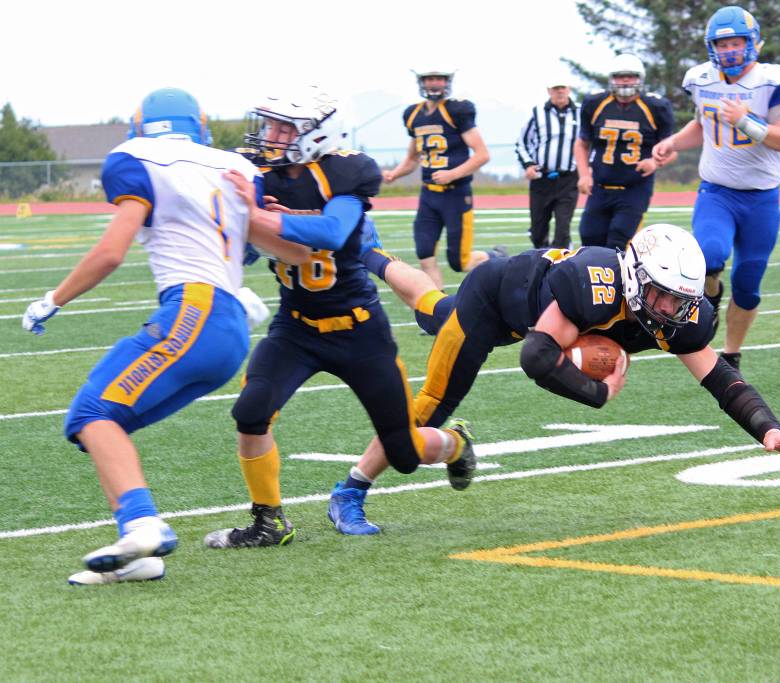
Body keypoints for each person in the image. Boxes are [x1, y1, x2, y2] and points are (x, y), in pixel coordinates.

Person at [20, 88, 332, 585]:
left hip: (193, 311)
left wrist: (53, 299)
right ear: (200, 126)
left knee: (92, 413)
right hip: (229, 329)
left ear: (141, 127)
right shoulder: (234, 167)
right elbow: (292, 253)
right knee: (104, 425)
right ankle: (138, 556)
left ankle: (142, 525)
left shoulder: (136, 158)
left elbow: (111, 252)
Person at [337, 223, 780, 533]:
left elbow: (721, 379)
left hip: (537, 311)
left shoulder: (676, 314)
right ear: (634, 277)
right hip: (496, 302)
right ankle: (350, 492)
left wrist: (767, 427)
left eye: (681, 300)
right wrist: (598, 393)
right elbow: (536, 356)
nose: (672, 311)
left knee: (434, 309)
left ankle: (370, 254)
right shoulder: (597, 287)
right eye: (662, 296)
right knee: (421, 413)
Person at [202, 88, 476, 549]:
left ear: (319, 134)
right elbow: (236, 232)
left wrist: (258, 218)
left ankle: (454, 443)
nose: (271, 135)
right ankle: (269, 521)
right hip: (295, 328)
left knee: (404, 453)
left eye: (285, 128)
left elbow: (332, 231)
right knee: (250, 412)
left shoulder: (348, 173)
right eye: (271, 125)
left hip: (359, 332)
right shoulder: (262, 173)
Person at [653, 6, 780, 370]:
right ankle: (709, 302)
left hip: (762, 198)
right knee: (708, 256)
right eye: (722, 44)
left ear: (754, 43)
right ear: (711, 47)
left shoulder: (774, 81)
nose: (730, 50)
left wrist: (746, 121)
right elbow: (702, 125)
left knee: (748, 281)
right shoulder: (701, 79)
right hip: (717, 192)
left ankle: (732, 353)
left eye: (737, 42)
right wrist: (672, 142)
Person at [381, 69, 502, 289]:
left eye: (439, 79)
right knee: (425, 255)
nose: (434, 83)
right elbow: (412, 158)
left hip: (456, 195)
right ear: (422, 82)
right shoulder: (413, 114)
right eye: (429, 79)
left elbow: (482, 154)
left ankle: (497, 258)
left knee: (460, 262)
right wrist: (394, 173)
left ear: (447, 82)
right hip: (428, 196)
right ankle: (440, 309)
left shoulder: (457, 110)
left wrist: (452, 174)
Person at [574, 54, 675, 250]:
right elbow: (582, 143)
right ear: (612, 78)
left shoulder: (655, 107)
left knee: (619, 240)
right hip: (601, 186)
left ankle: (623, 281)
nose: (626, 80)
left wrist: (655, 163)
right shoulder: (595, 103)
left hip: (634, 188)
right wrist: (584, 174)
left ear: (640, 78)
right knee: (589, 236)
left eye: (631, 75)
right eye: (620, 76)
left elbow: (672, 149)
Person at [515, 72, 580, 249]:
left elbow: (589, 144)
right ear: (548, 91)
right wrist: (528, 165)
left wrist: (586, 170)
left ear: (569, 89)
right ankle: (541, 257)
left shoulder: (581, 113)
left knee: (562, 228)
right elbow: (522, 143)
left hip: (568, 179)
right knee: (538, 231)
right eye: (555, 88)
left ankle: (559, 265)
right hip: (541, 179)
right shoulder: (537, 113)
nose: (559, 91)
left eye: (562, 87)